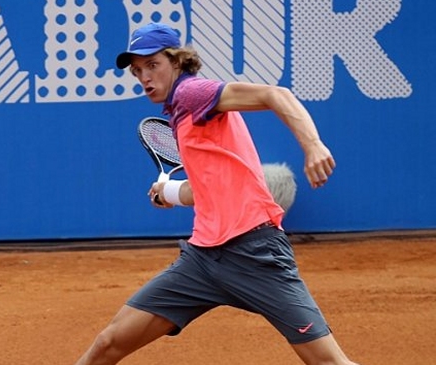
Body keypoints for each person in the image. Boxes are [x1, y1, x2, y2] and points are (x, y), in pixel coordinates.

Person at [74, 23, 358, 365]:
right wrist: (173, 192)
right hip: (203, 260)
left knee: (328, 361)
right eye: (137, 71)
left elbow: (276, 94)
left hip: (255, 253)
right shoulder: (182, 112)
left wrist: (312, 146)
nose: (144, 77)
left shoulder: (192, 93)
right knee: (109, 343)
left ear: (177, 62)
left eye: (153, 65)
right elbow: (207, 187)